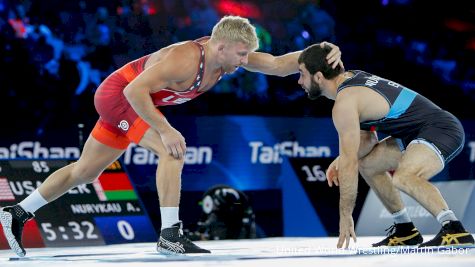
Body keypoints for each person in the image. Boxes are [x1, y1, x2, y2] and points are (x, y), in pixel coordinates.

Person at [0, 16, 343, 256]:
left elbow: (280, 64)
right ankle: (169, 235)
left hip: (130, 100)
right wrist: (164, 129)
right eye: (240, 54)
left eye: (246, 55)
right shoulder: (184, 58)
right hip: (120, 95)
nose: (244, 61)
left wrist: (323, 50)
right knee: (173, 151)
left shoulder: (227, 57)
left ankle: (17, 213)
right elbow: (135, 91)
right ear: (219, 45)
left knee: (85, 172)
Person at [296, 43, 475, 249]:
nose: (299, 81)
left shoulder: (344, 103)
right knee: (369, 164)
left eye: (302, 74)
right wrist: (341, 159)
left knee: (405, 177)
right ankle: (405, 230)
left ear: (318, 76)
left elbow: (350, 164)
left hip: (440, 129)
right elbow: (367, 141)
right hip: (413, 133)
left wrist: (345, 215)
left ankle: (454, 229)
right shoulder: (353, 79)